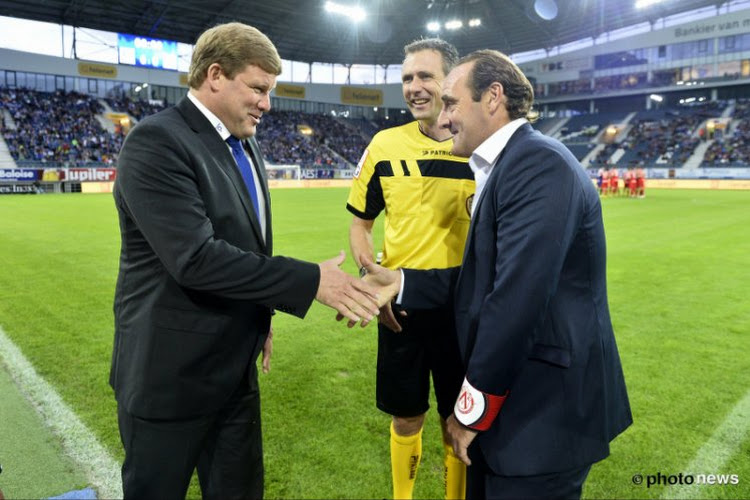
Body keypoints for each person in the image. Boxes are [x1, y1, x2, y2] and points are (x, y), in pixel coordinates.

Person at [111, 22, 379, 500]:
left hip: (235, 370)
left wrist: (262, 317)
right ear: (215, 75)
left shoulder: (245, 142)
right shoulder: (156, 142)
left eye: (269, 90)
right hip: (169, 377)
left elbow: (246, 246)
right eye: (258, 88)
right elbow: (195, 259)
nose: (267, 104)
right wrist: (310, 281)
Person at [361, 49, 632, 499]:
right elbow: (485, 279)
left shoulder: (537, 164)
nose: (444, 119)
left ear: (492, 98)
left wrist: (469, 412)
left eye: (451, 103)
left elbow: (516, 299)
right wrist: (403, 281)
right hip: (520, 409)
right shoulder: (507, 164)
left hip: (543, 415)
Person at [346, 38, 474, 500]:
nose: (414, 88)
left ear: (452, 81)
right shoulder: (384, 145)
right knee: (406, 415)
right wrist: (372, 280)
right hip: (399, 310)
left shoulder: (476, 150)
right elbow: (360, 224)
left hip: (461, 309)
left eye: (425, 76)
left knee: (457, 417)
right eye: (407, 78)